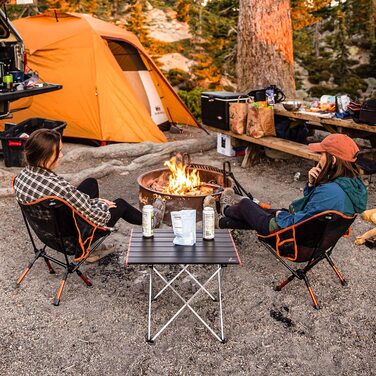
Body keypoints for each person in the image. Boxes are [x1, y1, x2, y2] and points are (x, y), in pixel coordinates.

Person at [204, 133, 367, 235]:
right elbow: (315, 210)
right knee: (260, 210)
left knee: (247, 204)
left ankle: (221, 209)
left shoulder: (329, 191)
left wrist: (282, 216)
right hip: (315, 235)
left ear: (334, 159)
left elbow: (303, 219)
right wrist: (311, 184)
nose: (319, 157)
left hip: (293, 234)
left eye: (323, 154)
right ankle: (222, 221)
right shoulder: (349, 184)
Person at [14, 129, 165, 231]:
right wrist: (102, 204)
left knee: (90, 183)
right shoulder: (59, 187)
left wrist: (94, 202)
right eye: (58, 152)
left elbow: (73, 200)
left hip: (50, 230)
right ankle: (152, 222)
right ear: (45, 156)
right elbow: (98, 218)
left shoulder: (21, 177)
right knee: (120, 204)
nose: (61, 155)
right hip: (72, 236)